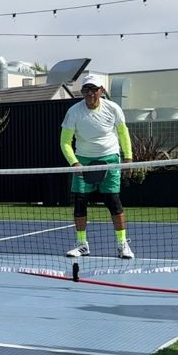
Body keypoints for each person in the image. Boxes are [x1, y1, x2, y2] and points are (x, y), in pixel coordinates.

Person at [60, 73, 135, 259]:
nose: (90, 93)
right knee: (79, 203)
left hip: (110, 159)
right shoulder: (74, 112)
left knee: (113, 201)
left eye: (94, 89)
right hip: (83, 161)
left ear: (101, 91)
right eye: (86, 89)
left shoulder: (113, 108)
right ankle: (82, 244)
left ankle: (122, 244)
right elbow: (65, 142)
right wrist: (75, 163)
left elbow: (123, 133)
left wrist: (128, 158)